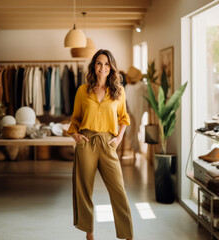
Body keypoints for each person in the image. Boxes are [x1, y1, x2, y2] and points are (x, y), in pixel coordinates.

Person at [68, 49, 133, 240]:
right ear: (93, 66)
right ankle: (89, 233)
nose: (102, 68)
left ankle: (128, 235)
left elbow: (124, 117)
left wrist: (119, 138)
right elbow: (75, 119)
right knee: (84, 189)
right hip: (86, 142)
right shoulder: (82, 90)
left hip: (107, 142)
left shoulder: (118, 91)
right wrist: (75, 136)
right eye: (98, 63)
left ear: (111, 67)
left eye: (106, 64)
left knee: (118, 190)